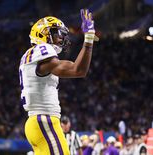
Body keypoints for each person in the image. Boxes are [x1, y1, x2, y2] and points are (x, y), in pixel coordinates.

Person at [19, 8, 97, 155]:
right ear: (43, 34)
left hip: (36, 121)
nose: (61, 38)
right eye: (56, 33)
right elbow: (78, 70)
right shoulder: (42, 50)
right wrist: (89, 38)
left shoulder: (30, 56)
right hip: (44, 120)